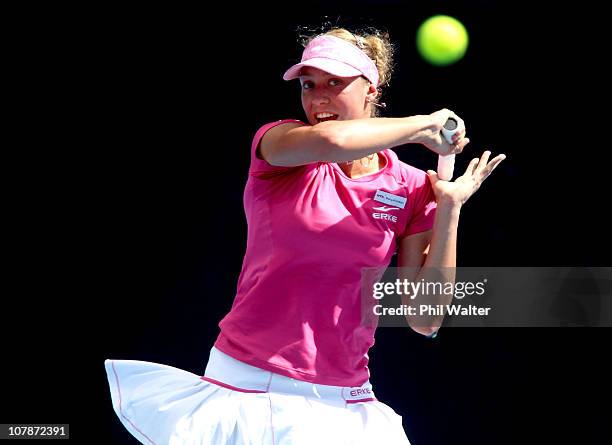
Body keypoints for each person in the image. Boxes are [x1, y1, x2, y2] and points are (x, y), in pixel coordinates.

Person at [105, 27, 505, 444]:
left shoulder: (409, 186)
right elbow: (332, 140)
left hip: (345, 405)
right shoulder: (279, 146)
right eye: (308, 85)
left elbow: (425, 319)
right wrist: (424, 125)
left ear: (372, 89)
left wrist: (450, 210)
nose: (318, 99)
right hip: (246, 387)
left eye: (336, 83)